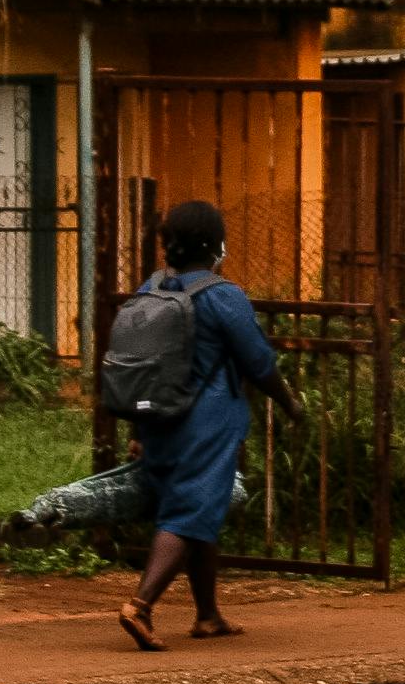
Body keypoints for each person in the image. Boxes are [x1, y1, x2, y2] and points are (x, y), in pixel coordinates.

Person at [120, 199, 305, 650]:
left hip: (156, 419)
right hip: (206, 423)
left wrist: (136, 431)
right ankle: (140, 606)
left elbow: (136, 361)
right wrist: (291, 405)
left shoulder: (149, 288)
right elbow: (259, 362)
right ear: (216, 244)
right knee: (190, 512)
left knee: (197, 509)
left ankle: (208, 615)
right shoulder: (222, 295)